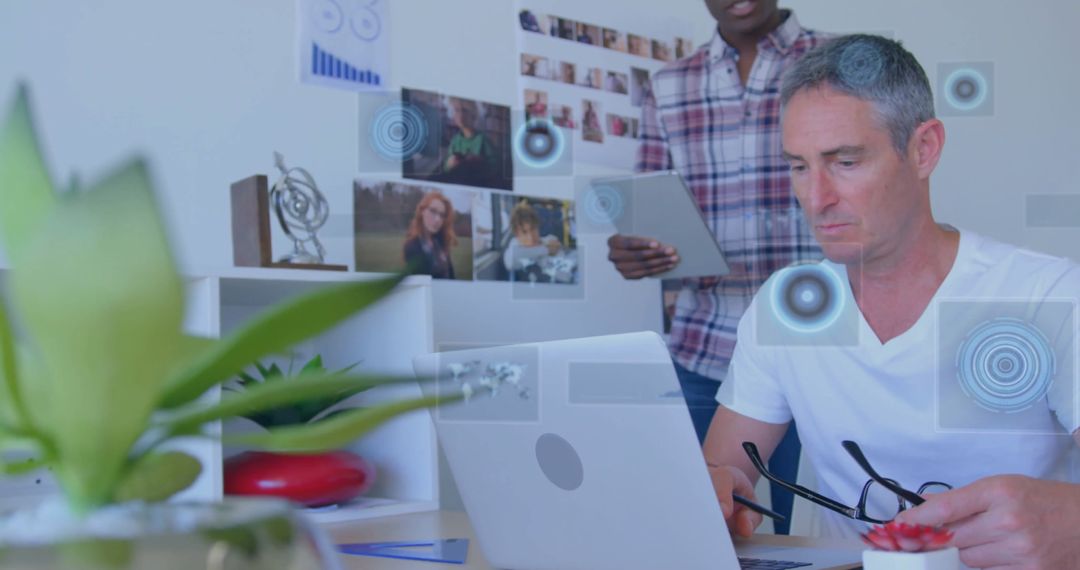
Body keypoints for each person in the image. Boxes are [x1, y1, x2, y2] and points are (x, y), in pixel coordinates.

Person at [703, 34, 1080, 568]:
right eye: (799, 166)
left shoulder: (1046, 295)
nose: (816, 199)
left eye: (845, 161)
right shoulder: (785, 307)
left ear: (923, 149)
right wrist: (718, 492)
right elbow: (721, 472)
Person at [607, 0, 829, 532]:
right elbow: (651, 208)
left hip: (822, 349)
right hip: (703, 351)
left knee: (815, 540)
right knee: (702, 533)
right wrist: (636, 249)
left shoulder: (838, 61)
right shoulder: (667, 86)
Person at [443, 97, 497, 187]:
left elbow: (495, 167)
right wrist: (450, 164)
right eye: (457, 110)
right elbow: (446, 167)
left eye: (464, 110)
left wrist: (480, 163)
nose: (460, 115)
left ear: (473, 114)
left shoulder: (483, 140)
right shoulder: (455, 141)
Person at [403, 191, 457, 279]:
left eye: (442, 215)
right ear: (422, 211)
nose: (437, 219)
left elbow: (452, 277)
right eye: (433, 211)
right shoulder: (412, 247)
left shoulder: (441, 242)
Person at [503, 200, 561, 282]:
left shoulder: (549, 240)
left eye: (533, 229)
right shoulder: (514, 246)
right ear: (517, 234)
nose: (531, 237)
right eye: (524, 232)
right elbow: (510, 261)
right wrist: (546, 250)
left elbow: (564, 275)